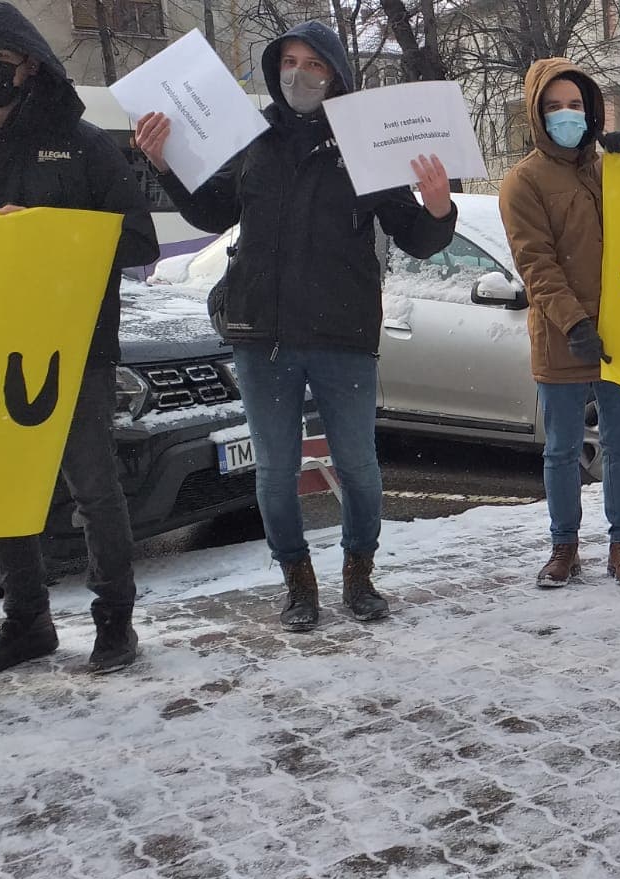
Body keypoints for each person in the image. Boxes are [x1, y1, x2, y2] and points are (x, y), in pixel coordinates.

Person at [134, 22, 457, 631]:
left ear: (334, 75)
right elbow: (212, 210)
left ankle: (359, 574)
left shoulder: (365, 143)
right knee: (276, 474)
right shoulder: (254, 139)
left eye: (314, 64)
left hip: (343, 335)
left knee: (358, 467)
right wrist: (164, 165)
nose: (299, 74)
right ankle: (298, 583)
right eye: (289, 62)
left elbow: (416, 237)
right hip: (263, 335)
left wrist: (439, 206)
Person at [0, 2, 158, 677]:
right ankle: (27, 622)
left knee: (94, 490)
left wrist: (45, 231)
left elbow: (137, 239)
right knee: (1, 484)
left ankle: (114, 621)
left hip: (74, 345)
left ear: (30, 66)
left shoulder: (83, 144)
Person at [499, 59, 620, 589]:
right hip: (562, 335)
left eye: (576, 105)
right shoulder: (523, 181)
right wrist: (575, 321)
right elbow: (536, 263)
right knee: (562, 449)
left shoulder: (612, 169)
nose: (567, 114)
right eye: (554, 106)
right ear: (537, 114)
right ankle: (563, 546)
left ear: (592, 111)